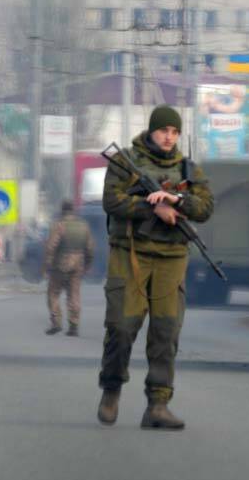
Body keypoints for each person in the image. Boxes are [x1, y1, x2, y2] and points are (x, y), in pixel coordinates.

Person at [97, 105, 214, 430]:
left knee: (166, 332)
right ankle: (111, 388)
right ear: (152, 130)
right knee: (121, 326)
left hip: (171, 258)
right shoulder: (126, 161)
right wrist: (153, 209)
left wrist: (176, 201)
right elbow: (111, 200)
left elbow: (205, 207)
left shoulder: (188, 167)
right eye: (164, 130)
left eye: (174, 132)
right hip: (130, 254)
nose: (168, 137)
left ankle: (158, 405)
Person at [43, 199, 95, 336]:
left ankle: (56, 322)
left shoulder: (59, 225)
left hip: (60, 264)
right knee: (74, 295)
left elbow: (51, 247)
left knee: (53, 293)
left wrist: (47, 265)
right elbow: (90, 248)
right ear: (73, 210)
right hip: (78, 264)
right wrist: (88, 265)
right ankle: (74, 324)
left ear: (62, 210)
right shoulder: (84, 226)